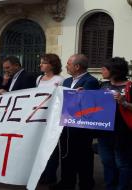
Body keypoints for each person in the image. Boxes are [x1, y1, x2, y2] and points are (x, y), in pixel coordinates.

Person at [51, 54, 100, 190]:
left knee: (83, 158)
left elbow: (88, 105)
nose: (66, 66)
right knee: (66, 155)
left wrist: (79, 96)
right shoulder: (66, 81)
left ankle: (86, 184)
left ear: (77, 66)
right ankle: (67, 182)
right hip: (66, 125)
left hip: (81, 129)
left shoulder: (90, 81)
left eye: (68, 64)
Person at [97, 57, 132, 190]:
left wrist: (124, 102)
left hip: (123, 132)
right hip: (104, 131)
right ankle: (110, 186)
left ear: (115, 71)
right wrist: (82, 94)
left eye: (105, 68)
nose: (102, 70)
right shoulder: (103, 85)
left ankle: (122, 187)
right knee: (107, 162)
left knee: (122, 163)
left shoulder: (129, 86)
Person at [37, 53, 64, 185]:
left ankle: (51, 175)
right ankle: (40, 174)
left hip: (52, 117)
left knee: (51, 147)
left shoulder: (59, 79)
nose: (40, 65)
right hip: (39, 117)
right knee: (39, 147)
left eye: (44, 62)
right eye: (41, 62)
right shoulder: (39, 79)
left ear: (52, 65)